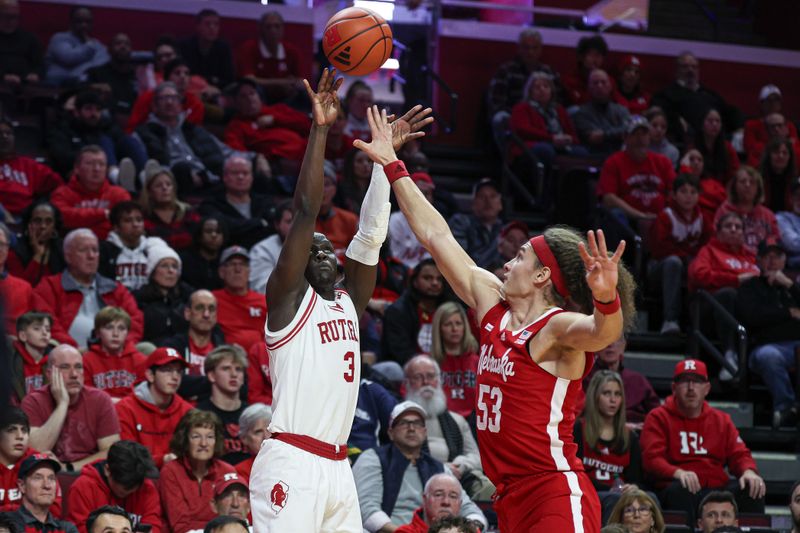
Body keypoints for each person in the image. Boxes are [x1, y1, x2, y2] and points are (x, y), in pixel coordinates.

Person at [356, 102, 638, 531]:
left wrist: (606, 299)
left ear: (543, 275)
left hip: (553, 491)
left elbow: (602, 333)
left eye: (520, 256)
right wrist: (394, 164)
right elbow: (436, 235)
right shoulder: (492, 304)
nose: (507, 262)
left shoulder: (555, 328)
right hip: (509, 496)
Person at [249, 71, 430, 532]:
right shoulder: (287, 302)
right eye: (313, 249)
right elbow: (307, 212)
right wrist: (321, 129)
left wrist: (385, 163)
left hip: (337, 464)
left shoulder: (349, 302)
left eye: (329, 247)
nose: (323, 251)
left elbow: (370, 235)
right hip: (292, 458)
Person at [640, 359, 765, 526]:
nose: (691, 388)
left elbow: (739, 453)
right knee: (682, 489)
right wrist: (678, 473)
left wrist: (748, 471)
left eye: (697, 381)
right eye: (685, 381)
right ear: (674, 388)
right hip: (678, 486)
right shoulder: (658, 417)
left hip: (716, 488)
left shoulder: (721, 420)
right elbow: (651, 460)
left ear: (707, 388)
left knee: (752, 487)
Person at [352, 401, 487, 532]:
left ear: (425, 431)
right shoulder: (373, 458)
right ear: (390, 432)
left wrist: (470, 529)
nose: (411, 429)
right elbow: (366, 509)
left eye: (417, 423)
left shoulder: (439, 468)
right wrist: (404, 532)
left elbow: (468, 508)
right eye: (404, 423)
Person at [33, 228, 143, 348]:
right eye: (83, 250)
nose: (91, 256)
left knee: (146, 348)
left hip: (113, 353)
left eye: (95, 250)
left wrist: (121, 346)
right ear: (68, 256)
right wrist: (75, 350)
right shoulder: (50, 287)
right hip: (69, 354)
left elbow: (135, 322)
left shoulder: (115, 289)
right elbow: (48, 324)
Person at [21, 344, 121, 471]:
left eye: (78, 367)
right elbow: (34, 452)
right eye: (65, 367)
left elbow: (110, 453)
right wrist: (62, 404)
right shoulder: (33, 401)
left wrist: (68, 468)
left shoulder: (100, 400)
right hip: (45, 474)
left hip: (89, 474)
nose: (74, 374)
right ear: (49, 374)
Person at [736, 238, 800, 428]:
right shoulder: (750, 286)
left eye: (777, 256)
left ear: (784, 260)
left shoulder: (792, 287)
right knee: (769, 356)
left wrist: (790, 285)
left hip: (796, 344)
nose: (772, 261)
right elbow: (752, 316)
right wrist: (788, 313)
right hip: (766, 345)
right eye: (767, 256)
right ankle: (786, 408)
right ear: (758, 260)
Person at [687, 212, 759, 380]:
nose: (734, 230)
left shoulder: (751, 256)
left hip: (744, 310)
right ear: (718, 232)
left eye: (738, 227)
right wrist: (735, 279)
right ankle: (729, 355)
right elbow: (698, 275)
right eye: (728, 226)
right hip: (710, 310)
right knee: (728, 293)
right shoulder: (709, 251)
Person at [575, 370, 644, 522]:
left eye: (617, 394)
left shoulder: (630, 437)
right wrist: (611, 490)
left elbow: (637, 480)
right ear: (595, 397)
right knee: (613, 499)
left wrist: (632, 488)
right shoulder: (579, 429)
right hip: (587, 495)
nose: (613, 400)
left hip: (621, 497)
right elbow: (575, 475)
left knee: (649, 499)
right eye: (607, 393)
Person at [403, 355, 483, 483]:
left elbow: (477, 457)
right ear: (407, 383)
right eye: (418, 377)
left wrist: (460, 465)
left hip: (457, 477)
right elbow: (401, 460)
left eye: (430, 376)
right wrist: (440, 468)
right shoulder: (400, 422)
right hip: (416, 481)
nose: (426, 382)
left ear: (439, 380)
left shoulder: (457, 420)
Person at [648, 175, 711, 335]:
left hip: (688, 266)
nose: (688, 196)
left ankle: (698, 326)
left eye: (693, 192)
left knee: (702, 268)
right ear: (674, 195)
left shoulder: (703, 219)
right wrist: (687, 257)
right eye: (683, 191)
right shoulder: (666, 216)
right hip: (659, 267)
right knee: (674, 262)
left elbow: (708, 247)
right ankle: (670, 320)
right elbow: (659, 249)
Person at [159, 409, 236, 533]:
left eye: (210, 437)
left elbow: (233, 519)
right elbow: (180, 526)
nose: (204, 443)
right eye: (196, 437)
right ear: (185, 439)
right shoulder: (171, 471)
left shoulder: (227, 471)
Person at [115, 347, 193, 468]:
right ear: (150, 375)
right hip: (136, 479)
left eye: (179, 371)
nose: (175, 377)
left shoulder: (187, 412)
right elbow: (126, 457)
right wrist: (162, 460)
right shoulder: (125, 409)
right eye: (167, 370)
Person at [597, 115, 676, 232]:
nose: (640, 139)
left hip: (661, 219)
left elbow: (674, 191)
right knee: (615, 214)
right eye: (635, 134)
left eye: (644, 134)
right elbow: (608, 198)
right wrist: (640, 215)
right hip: (629, 221)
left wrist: (664, 215)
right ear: (625, 137)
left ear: (649, 137)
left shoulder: (663, 162)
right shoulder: (613, 162)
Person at [66, 440, 161, 533]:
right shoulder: (83, 487)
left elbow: (153, 526)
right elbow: (78, 529)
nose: (128, 490)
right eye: (123, 483)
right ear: (107, 470)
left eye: (133, 486)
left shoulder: (147, 488)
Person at [488, 28, 559, 145]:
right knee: (499, 118)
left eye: (534, 48)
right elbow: (496, 103)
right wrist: (521, 115)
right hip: (514, 116)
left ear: (540, 50)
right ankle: (509, 159)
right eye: (526, 48)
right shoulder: (506, 71)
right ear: (519, 49)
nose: (530, 52)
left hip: (544, 116)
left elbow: (558, 100)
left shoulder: (548, 72)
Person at [651, 51, 743, 141]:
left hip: (715, 142)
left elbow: (729, 111)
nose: (690, 70)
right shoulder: (666, 94)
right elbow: (659, 112)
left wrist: (739, 127)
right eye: (685, 66)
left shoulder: (709, 94)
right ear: (677, 69)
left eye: (694, 67)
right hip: (687, 142)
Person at [224, 78, 310, 169]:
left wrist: (275, 119)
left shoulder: (278, 109)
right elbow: (237, 151)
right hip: (281, 162)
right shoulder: (236, 126)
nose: (250, 98)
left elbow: (307, 125)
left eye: (252, 93)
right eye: (243, 96)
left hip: (308, 150)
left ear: (259, 96)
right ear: (236, 103)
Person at [49, 146, 131, 240]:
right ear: (77, 168)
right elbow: (62, 218)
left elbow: (126, 223)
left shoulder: (119, 194)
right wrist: (103, 214)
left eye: (101, 164)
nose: (96, 169)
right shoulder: (61, 193)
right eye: (90, 163)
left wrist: (81, 222)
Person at [509, 71, 583, 174]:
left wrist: (569, 139)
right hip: (530, 145)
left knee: (580, 152)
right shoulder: (522, 108)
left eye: (546, 86)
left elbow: (572, 134)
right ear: (530, 92)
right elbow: (523, 130)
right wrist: (551, 139)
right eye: (537, 87)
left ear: (551, 91)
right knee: (545, 150)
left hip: (560, 144)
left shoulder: (559, 109)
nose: (542, 90)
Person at [198, 155, 274, 248]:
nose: (240, 177)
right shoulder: (211, 204)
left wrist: (237, 227)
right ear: (225, 177)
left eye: (245, 173)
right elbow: (224, 227)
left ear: (252, 177)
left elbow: (272, 227)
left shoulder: (265, 202)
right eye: (235, 173)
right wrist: (260, 223)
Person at [382, 259, 450, 363]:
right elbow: (400, 352)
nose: (435, 283)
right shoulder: (398, 311)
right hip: (409, 368)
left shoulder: (449, 309)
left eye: (439, 279)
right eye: (427, 278)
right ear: (415, 281)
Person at [585, 336, 660, 427]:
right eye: (605, 339)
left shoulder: (637, 380)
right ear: (595, 347)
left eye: (616, 340)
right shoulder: (584, 379)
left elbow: (657, 416)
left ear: (623, 346)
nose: (610, 345)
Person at [0, 408, 62, 515]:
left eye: (24, 430)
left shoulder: (40, 463)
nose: (20, 436)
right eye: (11, 430)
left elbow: (54, 511)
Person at [99, 201, 168, 291]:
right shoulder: (105, 250)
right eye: (128, 220)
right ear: (116, 227)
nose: (135, 224)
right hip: (116, 301)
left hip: (150, 301)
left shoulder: (153, 248)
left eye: (139, 220)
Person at [196, 346, 248, 465]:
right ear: (211, 376)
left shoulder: (252, 414)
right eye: (226, 368)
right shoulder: (199, 414)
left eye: (239, 369)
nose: (234, 374)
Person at [234, 12, 302, 103]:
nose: (273, 30)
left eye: (277, 26)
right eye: (268, 27)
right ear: (261, 29)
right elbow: (248, 80)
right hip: (260, 93)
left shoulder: (292, 50)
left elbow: (300, 80)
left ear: (282, 29)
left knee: (303, 93)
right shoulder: (249, 48)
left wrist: (293, 84)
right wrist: (281, 82)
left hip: (285, 95)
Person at [0, 119, 62, 219]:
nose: (4, 137)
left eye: (8, 133)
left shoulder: (29, 165)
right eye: (0, 133)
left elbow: (59, 185)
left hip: (26, 217)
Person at [82, 307, 146, 400]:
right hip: (99, 411)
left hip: (131, 412)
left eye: (121, 328)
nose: (115, 334)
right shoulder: (86, 361)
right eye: (109, 328)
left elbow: (144, 397)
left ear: (127, 333)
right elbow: (86, 397)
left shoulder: (140, 360)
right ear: (98, 333)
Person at [133, 245, 192, 344]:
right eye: (164, 266)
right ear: (152, 271)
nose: (171, 271)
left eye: (174, 266)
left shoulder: (188, 297)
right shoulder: (139, 299)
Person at [211, 246, 266, 352]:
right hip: (224, 356)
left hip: (260, 359)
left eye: (243, 264)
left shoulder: (264, 301)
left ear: (249, 271)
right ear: (221, 272)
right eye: (232, 264)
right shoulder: (211, 300)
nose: (238, 269)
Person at [713, 166, 779, 254]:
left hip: (762, 261)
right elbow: (717, 238)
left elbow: (775, 239)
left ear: (758, 188)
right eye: (743, 181)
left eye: (752, 182)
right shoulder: (724, 211)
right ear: (734, 186)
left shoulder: (768, 215)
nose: (747, 185)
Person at [429, 302, 479, 418]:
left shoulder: (477, 362)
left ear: (465, 327)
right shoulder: (429, 364)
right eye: (448, 324)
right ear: (439, 328)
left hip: (474, 421)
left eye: (458, 323)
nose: (454, 329)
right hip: (443, 420)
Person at [5, 454, 78, 533]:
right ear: (22, 486)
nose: (47, 485)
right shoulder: (5, 525)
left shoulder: (67, 529)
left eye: (51, 478)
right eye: (38, 478)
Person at [163, 289, 226, 379]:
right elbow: (172, 381)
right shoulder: (172, 348)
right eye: (200, 308)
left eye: (211, 309)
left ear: (216, 316)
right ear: (187, 314)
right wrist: (216, 382)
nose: (206, 314)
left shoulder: (224, 351)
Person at [44, 5, 108, 86]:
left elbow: (104, 62)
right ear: (71, 22)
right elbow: (69, 58)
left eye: (87, 21)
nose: (84, 25)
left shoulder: (96, 43)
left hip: (85, 86)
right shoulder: (59, 38)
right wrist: (89, 46)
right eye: (79, 21)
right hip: (57, 86)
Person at [139, 167, 201, 251]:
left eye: (168, 184)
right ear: (149, 192)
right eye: (158, 186)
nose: (165, 188)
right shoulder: (143, 216)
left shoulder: (188, 212)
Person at [448, 179, 505, 269]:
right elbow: (460, 259)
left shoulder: (506, 230)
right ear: (473, 203)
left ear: (500, 204)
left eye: (493, 196)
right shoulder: (460, 222)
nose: (488, 201)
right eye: (482, 196)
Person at [7, 201, 66, 286]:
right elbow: (20, 287)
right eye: (37, 221)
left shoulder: (64, 248)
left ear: (54, 226)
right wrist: (38, 256)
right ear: (28, 224)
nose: (43, 226)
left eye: (48, 221)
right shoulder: (15, 252)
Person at [573, 69, 631, 156]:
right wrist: (618, 132)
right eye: (595, 83)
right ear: (589, 87)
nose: (600, 86)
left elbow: (628, 132)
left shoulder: (622, 110)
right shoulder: (581, 113)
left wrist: (604, 134)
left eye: (603, 82)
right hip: (594, 158)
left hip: (621, 156)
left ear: (610, 86)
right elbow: (594, 138)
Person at [744, 84, 800, 167]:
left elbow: (796, 149)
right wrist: (783, 141)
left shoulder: (789, 125)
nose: (773, 103)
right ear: (762, 103)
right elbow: (751, 149)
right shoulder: (751, 125)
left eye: (776, 100)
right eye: (769, 100)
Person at [0, 224, 40, 336]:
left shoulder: (24, 288)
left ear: (8, 249)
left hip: (17, 347)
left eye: (1, 244)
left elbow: (35, 324)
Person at [395, 474, 469, 533]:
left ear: (460, 504)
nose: (446, 502)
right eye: (438, 495)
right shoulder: (404, 532)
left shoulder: (470, 531)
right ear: (424, 500)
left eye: (453, 496)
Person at [179, 9, 233, 89]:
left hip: (217, 91)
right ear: (198, 26)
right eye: (207, 24)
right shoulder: (185, 46)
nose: (212, 28)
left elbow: (229, 79)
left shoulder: (223, 48)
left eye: (216, 24)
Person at [389, 173, 433, 270]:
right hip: (401, 272)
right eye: (419, 193)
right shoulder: (396, 220)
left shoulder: (435, 221)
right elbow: (394, 256)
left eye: (427, 194)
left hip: (426, 273)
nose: (423, 198)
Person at [86, 33, 138, 115]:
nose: (123, 47)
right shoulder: (96, 73)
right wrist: (94, 87)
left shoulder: (138, 75)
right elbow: (81, 91)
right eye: (118, 43)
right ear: (108, 49)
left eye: (127, 44)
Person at [249, 200, 293, 294]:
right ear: (277, 225)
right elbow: (262, 289)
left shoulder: (318, 246)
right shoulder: (262, 250)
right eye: (289, 221)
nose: (295, 226)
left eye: (299, 221)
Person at [315, 168, 358, 260]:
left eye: (326, 184)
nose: (322, 190)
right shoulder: (302, 221)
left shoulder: (350, 219)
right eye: (317, 184)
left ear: (334, 189)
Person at [10, 312, 53, 402]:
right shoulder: (10, 361)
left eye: (48, 329)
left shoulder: (55, 361)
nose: (45, 333)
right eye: (37, 329)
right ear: (23, 336)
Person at [0, 0, 43, 87]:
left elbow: (40, 64)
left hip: (25, 86)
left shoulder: (30, 38)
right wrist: (3, 76)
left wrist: (35, 74)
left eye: (14, 17)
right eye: (6, 16)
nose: (10, 21)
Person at [693, 108, 739, 186]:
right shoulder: (693, 147)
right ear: (702, 124)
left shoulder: (727, 147)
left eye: (718, 121)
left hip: (723, 191)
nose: (714, 124)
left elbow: (734, 173)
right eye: (710, 121)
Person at [179, 216, 226, 291]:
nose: (214, 235)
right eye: (208, 231)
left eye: (218, 232)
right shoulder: (185, 261)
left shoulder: (226, 261)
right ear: (199, 236)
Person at [562, 35, 610, 107]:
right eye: (591, 55)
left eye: (598, 55)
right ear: (581, 57)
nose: (595, 60)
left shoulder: (608, 81)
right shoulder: (569, 80)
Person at [234, 404, 271, 480]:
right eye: (258, 432)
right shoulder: (240, 472)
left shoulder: (291, 462)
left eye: (269, 430)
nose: (266, 437)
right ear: (244, 438)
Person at [760, 137, 797, 213]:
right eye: (776, 152)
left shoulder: (795, 180)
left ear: (790, 157)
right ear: (769, 155)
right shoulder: (758, 178)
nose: (781, 156)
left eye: (785, 153)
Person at [778, 178, 800, 269]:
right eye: (798, 195)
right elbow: (792, 244)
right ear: (791, 199)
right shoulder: (782, 218)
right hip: (793, 270)